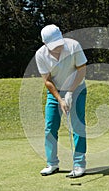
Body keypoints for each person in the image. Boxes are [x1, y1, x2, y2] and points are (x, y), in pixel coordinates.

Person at [35, 24, 87, 178]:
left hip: (77, 88)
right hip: (55, 92)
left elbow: (82, 69)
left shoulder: (73, 46)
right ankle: (52, 164)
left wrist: (70, 92)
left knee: (77, 126)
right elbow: (47, 81)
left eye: (59, 43)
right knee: (50, 127)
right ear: (45, 43)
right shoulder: (40, 55)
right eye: (53, 45)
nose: (58, 47)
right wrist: (60, 99)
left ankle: (79, 165)